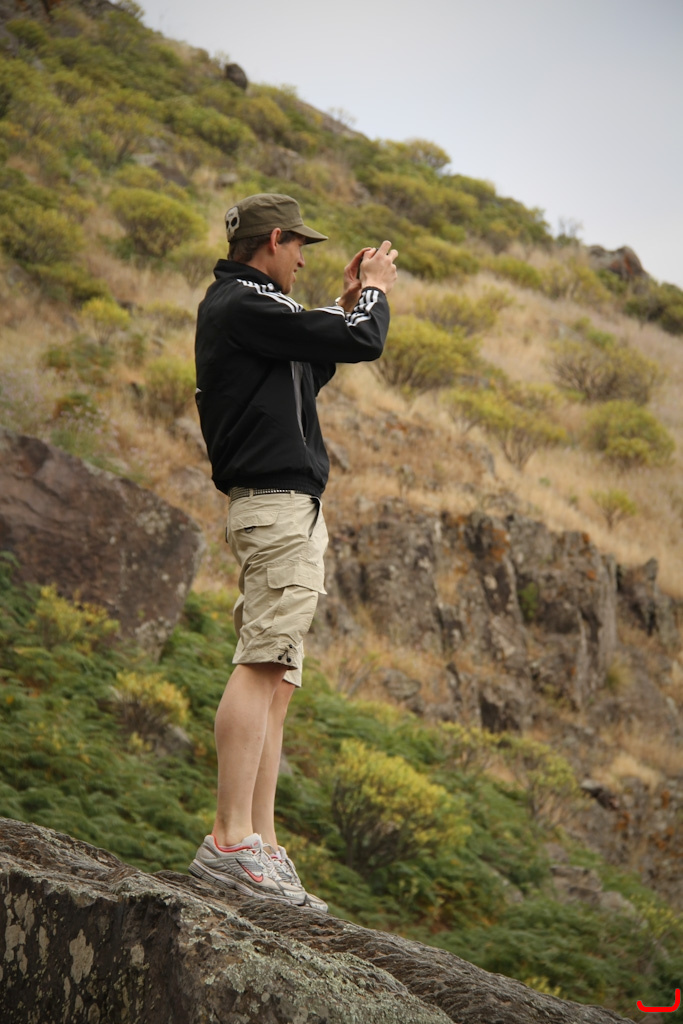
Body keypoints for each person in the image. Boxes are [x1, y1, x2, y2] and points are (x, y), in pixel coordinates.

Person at [190, 193, 397, 910]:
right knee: (261, 666)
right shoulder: (245, 302)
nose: (304, 258)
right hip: (276, 507)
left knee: (276, 678)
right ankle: (229, 841)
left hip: (287, 508)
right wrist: (372, 294)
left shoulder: (252, 310)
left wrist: (343, 304)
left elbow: (313, 366)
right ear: (273, 239)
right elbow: (364, 343)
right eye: (300, 245)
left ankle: (261, 844)